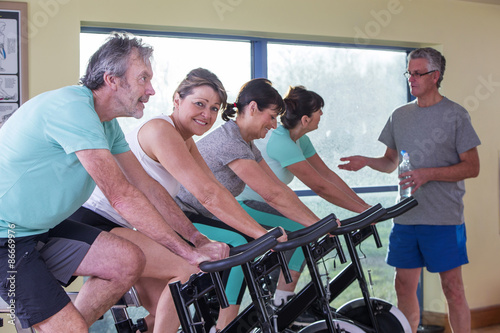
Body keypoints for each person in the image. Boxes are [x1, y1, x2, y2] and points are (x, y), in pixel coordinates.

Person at [0, 32, 228, 333]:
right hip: (7, 238)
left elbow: (145, 186)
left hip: (42, 228)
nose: (150, 90)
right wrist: (187, 253)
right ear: (112, 80)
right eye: (143, 79)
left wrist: (196, 239)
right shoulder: (72, 109)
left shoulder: (106, 124)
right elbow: (122, 196)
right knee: (72, 328)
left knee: (127, 260)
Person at [71, 68, 283, 333]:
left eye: (215, 108)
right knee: (187, 270)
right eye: (199, 104)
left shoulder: (187, 142)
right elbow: (207, 195)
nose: (207, 114)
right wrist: (262, 235)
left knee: (167, 307)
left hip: (126, 227)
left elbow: (213, 190)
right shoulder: (161, 130)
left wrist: (198, 237)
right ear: (176, 100)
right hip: (97, 222)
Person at [338, 47, 480, 333]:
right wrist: (367, 162)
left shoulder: (456, 115)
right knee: (403, 287)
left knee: (452, 289)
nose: (411, 79)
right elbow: (391, 162)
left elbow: (472, 167)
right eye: (409, 73)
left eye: (418, 73)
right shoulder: (399, 115)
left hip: (443, 219)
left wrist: (428, 174)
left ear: (435, 76)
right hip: (405, 219)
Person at [175, 78, 322, 331]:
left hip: (208, 215)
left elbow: (278, 189)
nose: (275, 125)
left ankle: (244, 311)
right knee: (242, 247)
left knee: (251, 244)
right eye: (272, 116)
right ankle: (223, 328)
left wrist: (315, 223)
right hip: (185, 215)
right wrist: (316, 225)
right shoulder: (229, 141)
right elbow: (271, 195)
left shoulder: (247, 145)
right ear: (252, 108)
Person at [236, 85, 371, 311]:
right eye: (320, 110)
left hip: (267, 202)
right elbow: (320, 187)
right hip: (244, 204)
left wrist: (364, 207)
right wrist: (362, 211)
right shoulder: (280, 140)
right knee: (305, 231)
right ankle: (282, 304)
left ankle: (278, 294)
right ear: (306, 119)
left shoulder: (300, 139)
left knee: (306, 231)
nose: (323, 115)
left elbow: (327, 176)